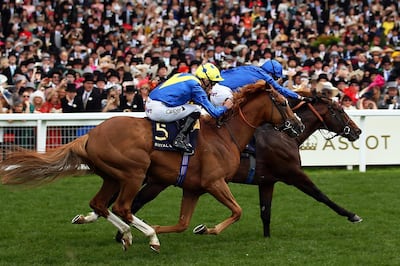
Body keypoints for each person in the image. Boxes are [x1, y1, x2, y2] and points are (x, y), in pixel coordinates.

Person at [145, 63, 233, 154]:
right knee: (196, 109)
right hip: (157, 109)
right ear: (206, 80)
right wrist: (225, 107)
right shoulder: (196, 87)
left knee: (189, 107)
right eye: (213, 83)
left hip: (150, 104)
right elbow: (215, 113)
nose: (213, 87)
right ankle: (179, 139)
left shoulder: (186, 76)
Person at [210, 59, 311, 106]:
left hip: (214, 89)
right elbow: (280, 89)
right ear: (271, 73)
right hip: (224, 94)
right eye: (275, 77)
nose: (274, 80)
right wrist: (300, 97)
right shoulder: (265, 76)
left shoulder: (251, 67)